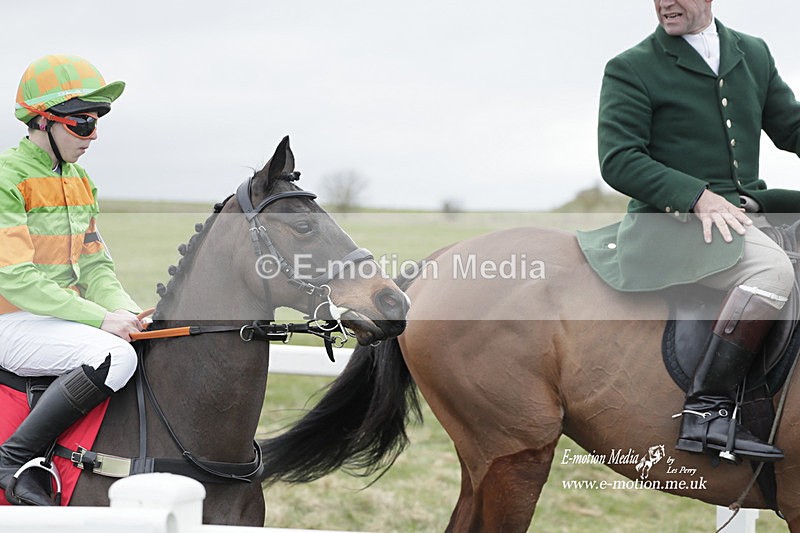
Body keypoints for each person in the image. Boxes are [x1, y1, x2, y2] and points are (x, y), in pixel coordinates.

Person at [578, 0, 800, 463]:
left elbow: (792, 127)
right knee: (774, 274)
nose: (665, 3)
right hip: (673, 221)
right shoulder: (632, 67)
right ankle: (707, 409)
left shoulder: (752, 52)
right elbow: (619, 159)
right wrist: (696, 196)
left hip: (745, 211)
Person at [0, 55, 142, 506]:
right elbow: (17, 279)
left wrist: (128, 312)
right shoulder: (6, 177)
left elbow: (96, 266)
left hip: (56, 317)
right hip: (11, 319)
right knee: (115, 358)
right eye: (82, 123)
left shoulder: (81, 181)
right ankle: (11, 459)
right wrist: (101, 320)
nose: (93, 135)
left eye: (97, 121)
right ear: (42, 121)